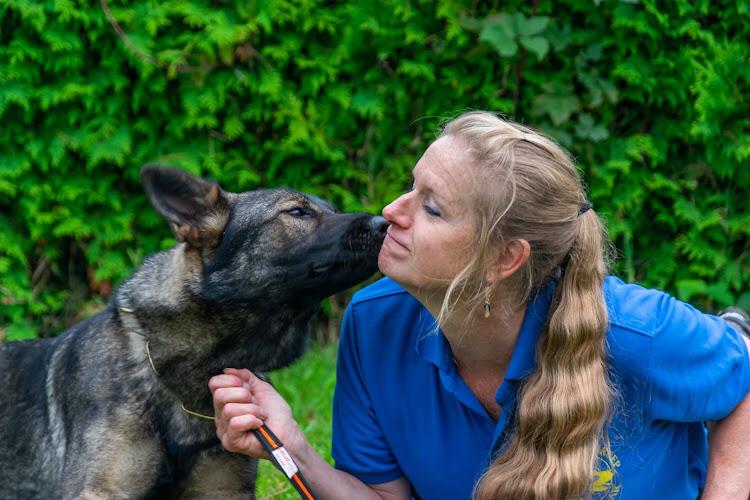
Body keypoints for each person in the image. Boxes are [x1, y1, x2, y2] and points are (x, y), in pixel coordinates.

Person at [209, 111, 750, 499]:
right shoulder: (375, 325)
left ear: (502, 259)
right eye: (409, 187)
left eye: (432, 208)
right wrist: (294, 448)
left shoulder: (634, 332)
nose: (389, 212)